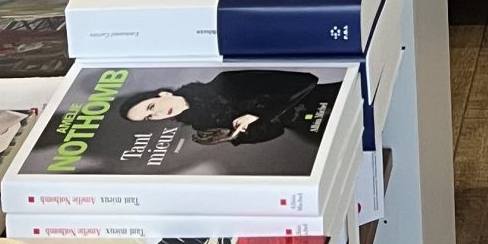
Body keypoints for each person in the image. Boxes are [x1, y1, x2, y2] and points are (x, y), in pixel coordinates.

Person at [121, 69, 333, 148]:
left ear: (164, 94)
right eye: (149, 118)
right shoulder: (206, 127)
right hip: (318, 134)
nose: (156, 114)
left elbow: (306, 82)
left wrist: (258, 114)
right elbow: (276, 131)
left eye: (151, 106)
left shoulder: (226, 81)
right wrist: (236, 136)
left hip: (331, 100)